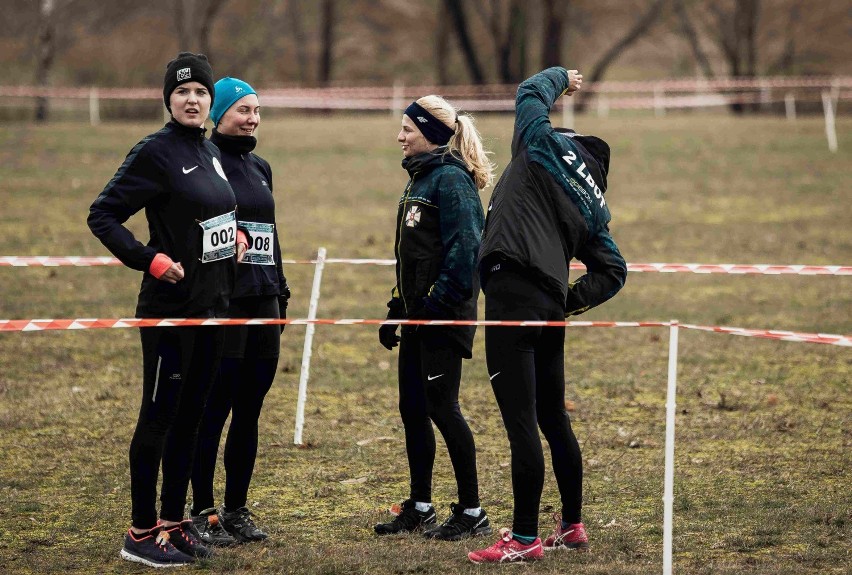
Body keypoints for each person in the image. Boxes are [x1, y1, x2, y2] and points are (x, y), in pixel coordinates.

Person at [88, 52, 247, 568]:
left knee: (191, 420)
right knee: (159, 417)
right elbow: (103, 214)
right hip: (168, 312)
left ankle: (174, 525)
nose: (192, 99)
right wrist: (150, 259)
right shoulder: (155, 152)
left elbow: (214, 213)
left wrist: (235, 236)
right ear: (168, 100)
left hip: (212, 307)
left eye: (200, 92)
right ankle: (140, 532)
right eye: (182, 92)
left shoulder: (210, 152)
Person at [468, 67, 627, 564]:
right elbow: (614, 270)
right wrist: (566, 302)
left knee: (521, 424)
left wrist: (563, 77)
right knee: (553, 418)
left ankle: (523, 538)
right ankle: (572, 526)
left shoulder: (542, 147)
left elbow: (529, 92)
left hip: (512, 294)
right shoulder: (595, 206)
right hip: (548, 306)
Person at [373, 95, 494, 541]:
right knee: (413, 408)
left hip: (443, 318)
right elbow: (414, 258)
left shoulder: (450, 182)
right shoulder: (418, 182)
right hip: (418, 318)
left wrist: (433, 307)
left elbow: (467, 253)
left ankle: (472, 510)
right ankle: (420, 505)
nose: (400, 136)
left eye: (408, 128)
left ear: (432, 133)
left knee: (443, 408)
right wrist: (396, 310)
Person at [189, 77, 290, 546]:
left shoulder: (262, 165)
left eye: (256, 110)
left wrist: (282, 295)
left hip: (264, 301)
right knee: (215, 410)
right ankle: (202, 511)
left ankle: (236, 509)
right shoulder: (206, 163)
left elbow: (271, 235)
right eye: (242, 110)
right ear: (219, 114)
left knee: (249, 411)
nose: (251, 118)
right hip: (225, 305)